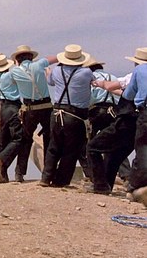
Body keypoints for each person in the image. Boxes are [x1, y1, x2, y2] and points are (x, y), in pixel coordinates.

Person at [88, 50, 143, 196]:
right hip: (138, 121)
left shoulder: (135, 74)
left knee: (93, 146)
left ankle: (100, 185)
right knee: (115, 155)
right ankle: (108, 186)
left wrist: (100, 84)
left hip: (126, 119)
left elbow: (121, 90)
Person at [42, 44, 93, 187]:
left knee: (53, 146)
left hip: (57, 112)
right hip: (75, 115)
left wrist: (48, 72)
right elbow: (92, 82)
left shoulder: (57, 70)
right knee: (71, 150)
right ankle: (60, 181)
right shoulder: (86, 72)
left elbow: (50, 81)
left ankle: (45, 177)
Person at [10, 45, 59, 183]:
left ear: (17, 60)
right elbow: (55, 58)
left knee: (25, 140)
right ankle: (49, 173)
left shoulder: (14, 71)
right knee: (50, 139)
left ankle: (19, 173)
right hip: (46, 106)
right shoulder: (39, 64)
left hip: (29, 109)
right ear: (31, 57)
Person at [0, 53, 24, 183]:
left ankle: (2, 174)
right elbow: (20, 71)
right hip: (13, 106)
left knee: (3, 139)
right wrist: (16, 62)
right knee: (19, 138)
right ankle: (0, 160)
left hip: (3, 108)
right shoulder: (9, 75)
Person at [121, 48, 147, 206]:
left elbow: (129, 94)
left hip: (145, 113)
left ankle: (135, 187)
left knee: (142, 148)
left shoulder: (139, 70)